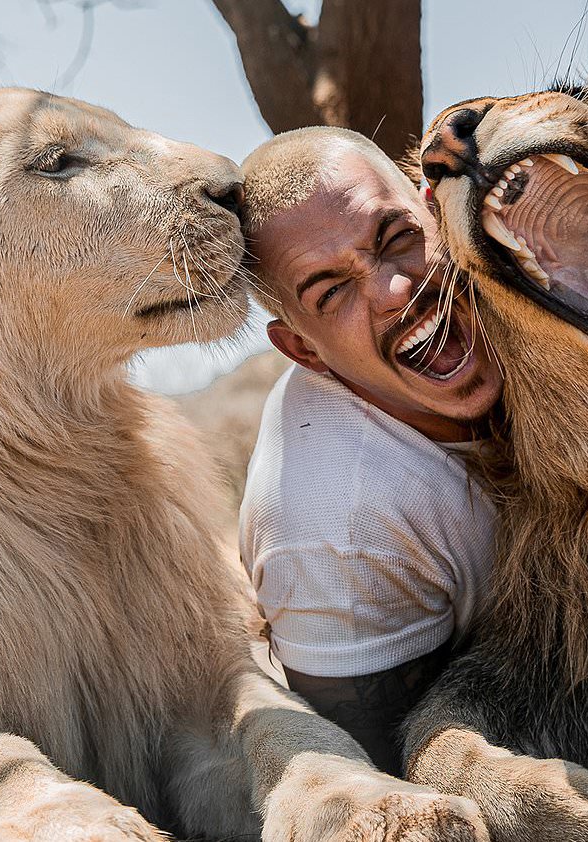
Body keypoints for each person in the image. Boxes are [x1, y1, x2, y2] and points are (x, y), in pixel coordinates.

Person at [238, 126, 503, 774]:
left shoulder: (525, 287)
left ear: (435, 214)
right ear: (303, 350)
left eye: (396, 239)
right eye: (331, 292)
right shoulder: (333, 525)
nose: (392, 291)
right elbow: (387, 774)